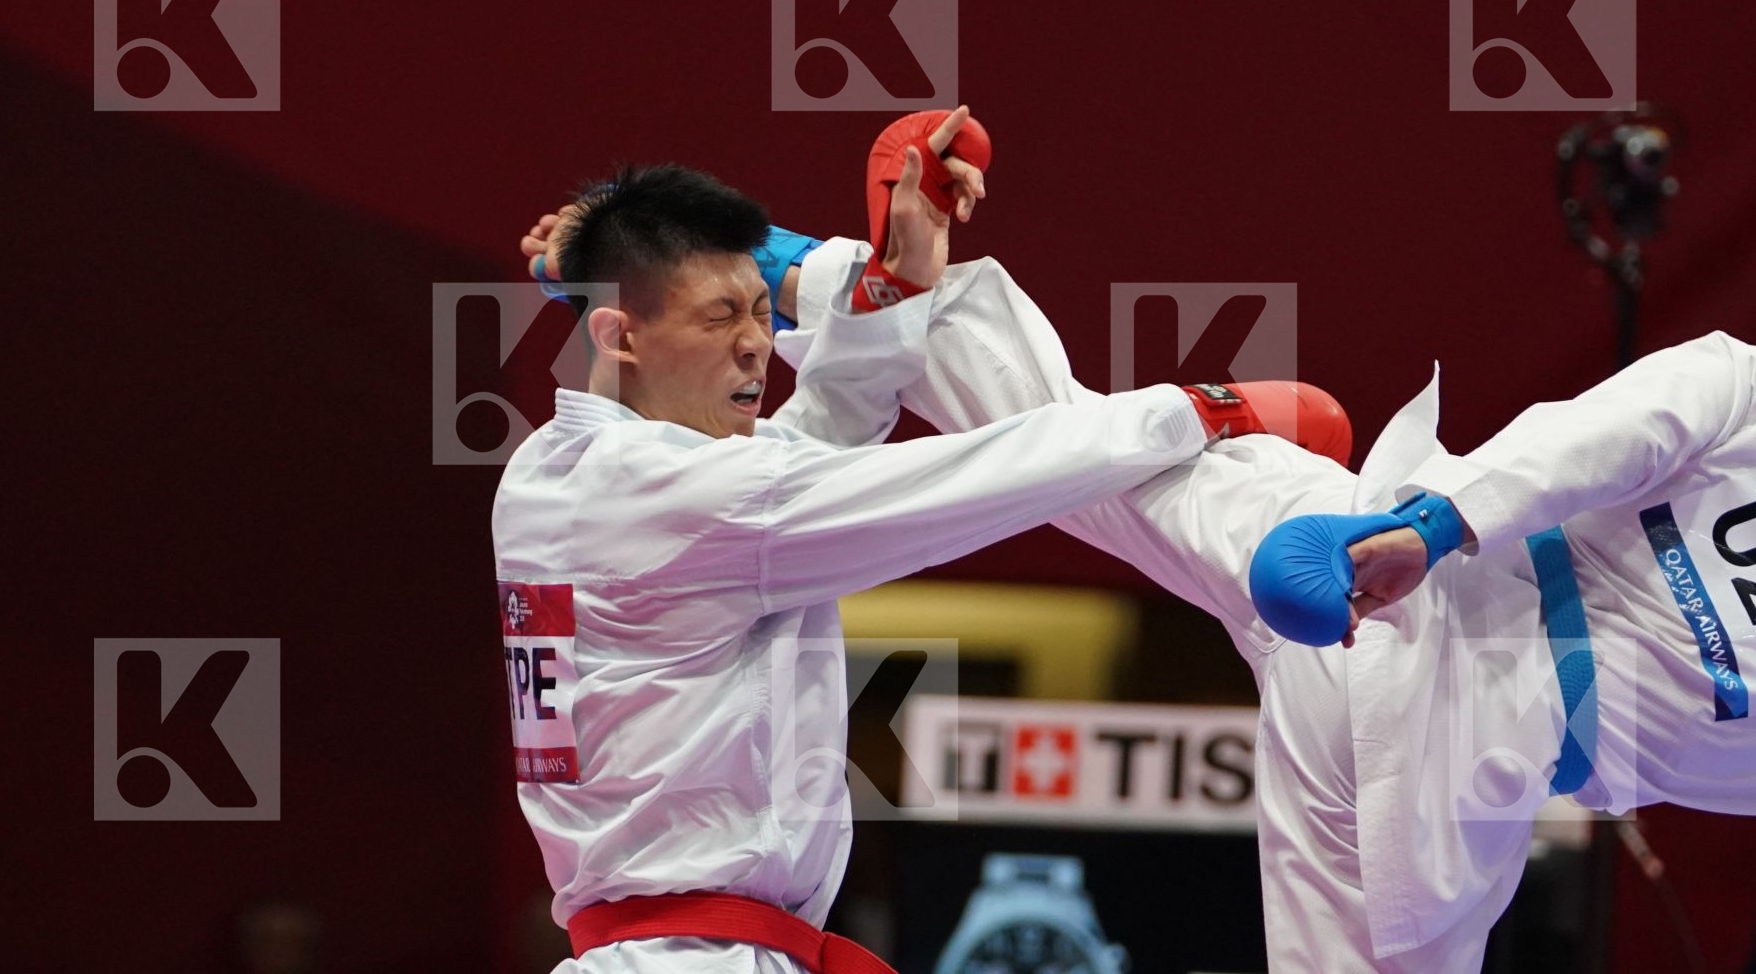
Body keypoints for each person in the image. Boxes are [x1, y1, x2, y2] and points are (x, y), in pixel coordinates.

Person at [759, 228, 1756, 972]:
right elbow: (1658, 411)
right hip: (1385, 571)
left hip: (1434, 731)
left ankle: (798, 270)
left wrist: (1431, 525)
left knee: (1079, 441)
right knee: (1081, 448)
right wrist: (1434, 527)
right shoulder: (1750, 391)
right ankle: (787, 269)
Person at [493, 125, 1228, 973]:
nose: (757, 343)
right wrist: (1197, 410)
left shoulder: (552, 474)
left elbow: (798, 473)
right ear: (623, 338)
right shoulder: (677, 496)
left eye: (765, 313)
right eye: (722, 315)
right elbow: (959, 485)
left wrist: (893, 289)